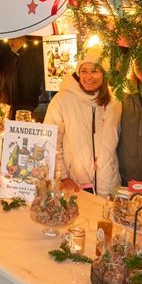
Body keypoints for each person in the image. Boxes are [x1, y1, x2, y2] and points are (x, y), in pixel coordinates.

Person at [43, 46, 122, 196]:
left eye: (95, 71)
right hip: (74, 184)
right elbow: (50, 141)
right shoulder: (62, 100)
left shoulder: (115, 104)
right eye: (84, 71)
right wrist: (63, 176)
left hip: (108, 185)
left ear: (104, 74)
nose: (88, 76)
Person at [10, 36, 44, 115]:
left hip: (24, 103)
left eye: (12, 39)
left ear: (22, 40)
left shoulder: (28, 57)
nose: (9, 42)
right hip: (26, 102)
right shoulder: (26, 55)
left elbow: (27, 82)